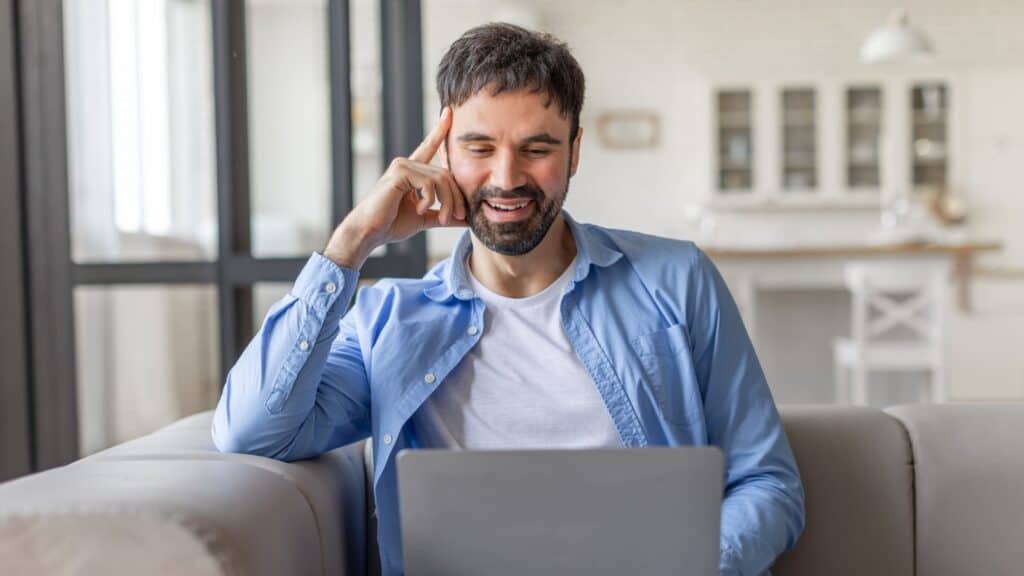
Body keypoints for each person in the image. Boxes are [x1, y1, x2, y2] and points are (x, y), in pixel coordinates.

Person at [212, 22, 804, 576]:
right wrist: (351, 242)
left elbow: (767, 483)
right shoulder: (388, 320)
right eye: (479, 147)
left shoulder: (677, 279)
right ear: (443, 155)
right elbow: (253, 431)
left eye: (537, 148)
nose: (506, 177)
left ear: (574, 151)